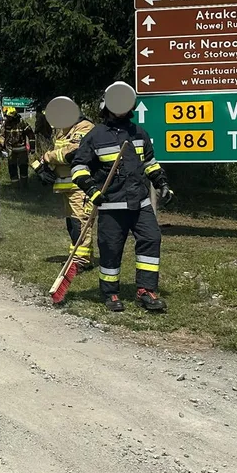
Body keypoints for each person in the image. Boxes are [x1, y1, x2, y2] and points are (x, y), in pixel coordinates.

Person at [70, 84, 173, 313]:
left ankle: (146, 291)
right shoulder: (95, 135)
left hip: (140, 203)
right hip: (111, 204)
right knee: (110, 249)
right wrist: (92, 191)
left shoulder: (138, 133)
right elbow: (78, 167)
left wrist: (161, 183)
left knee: (151, 239)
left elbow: (149, 163)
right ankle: (110, 293)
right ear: (106, 105)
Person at [32, 102, 95, 283]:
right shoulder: (62, 130)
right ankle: (81, 258)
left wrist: (48, 157)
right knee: (72, 224)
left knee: (81, 222)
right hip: (67, 185)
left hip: (81, 186)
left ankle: (80, 261)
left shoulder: (84, 127)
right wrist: (46, 167)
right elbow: (59, 151)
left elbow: (72, 153)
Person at [0, 106, 33, 184]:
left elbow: (30, 134)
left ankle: (24, 186)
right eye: (7, 117)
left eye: (9, 117)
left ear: (14, 116)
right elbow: (2, 135)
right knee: (12, 168)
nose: (8, 119)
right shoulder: (6, 123)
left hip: (22, 149)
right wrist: (0, 146)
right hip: (10, 150)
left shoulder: (22, 122)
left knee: (23, 167)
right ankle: (15, 186)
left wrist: (32, 147)